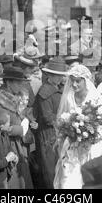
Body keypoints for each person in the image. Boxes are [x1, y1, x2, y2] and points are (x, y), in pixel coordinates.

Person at [54, 65, 102, 189]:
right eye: (72, 80)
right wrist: (70, 130)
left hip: (92, 145)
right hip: (73, 146)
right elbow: (62, 120)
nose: (74, 84)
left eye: (78, 81)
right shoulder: (68, 98)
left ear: (85, 81)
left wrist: (90, 132)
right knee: (68, 182)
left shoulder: (97, 99)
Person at [0, 66, 36, 189]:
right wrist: (21, 129)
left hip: (19, 145)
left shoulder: (14, 96)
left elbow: (18, 116)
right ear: (9, 82)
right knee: (15, 182)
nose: (21, 86)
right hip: (8, 146)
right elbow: (0, 127)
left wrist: (28, 121)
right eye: (18, 82)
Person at [32, 57, 67, 189]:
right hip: (48, 135)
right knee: (50, 170)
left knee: (60, 168)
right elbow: (47, 117)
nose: (59, 78)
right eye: (56, 75)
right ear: (50, 75)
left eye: (61, 75)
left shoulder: (57, 88)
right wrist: (66, 119)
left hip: (58, 132)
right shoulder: (45, 91)